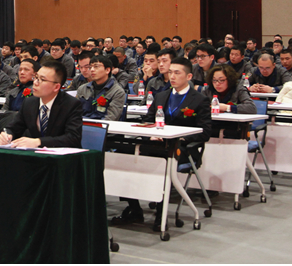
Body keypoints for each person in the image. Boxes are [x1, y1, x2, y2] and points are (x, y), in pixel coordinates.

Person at [117, 57, 211, 225]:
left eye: (177, 73)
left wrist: (181, 137)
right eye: (170, 72)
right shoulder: (161, 96)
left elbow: (205, 132)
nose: (172, 76)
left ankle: (161, 212)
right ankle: (134, 208)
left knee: (162, 160)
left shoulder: (199, 99)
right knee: (123, 154)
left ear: (189, 76)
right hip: (155, 144)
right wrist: (151, 134)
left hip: (182, 148)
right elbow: (147, 120)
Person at [0, 59, 82, 148]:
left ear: (56, 87)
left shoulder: (71, 104)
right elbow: (13, 127)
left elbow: (73, 138)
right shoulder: (29, 103)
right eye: (36, 78)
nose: (35, 82)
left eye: (42, 79)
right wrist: (7, 135)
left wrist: (39, 142)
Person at [77, 55, 126, 121]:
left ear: (107, 70)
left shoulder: (117, 92)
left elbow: (111, 117)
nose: (92, 70)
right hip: (82, 124)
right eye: (90, 67)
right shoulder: (82, 89)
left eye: (96, 67)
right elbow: (75, 113)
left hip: (103, 126)